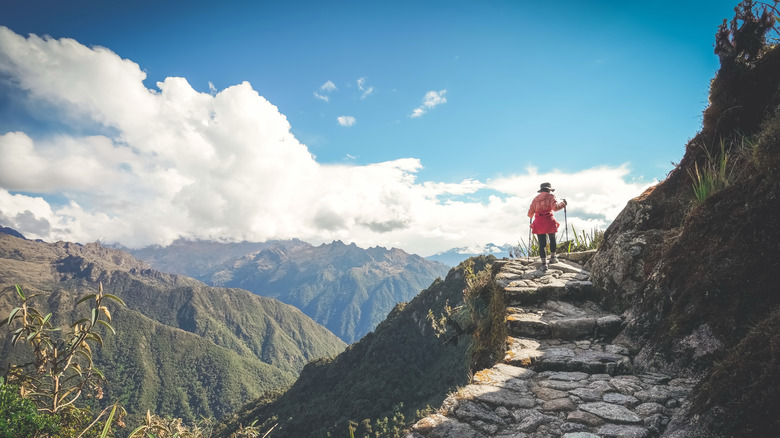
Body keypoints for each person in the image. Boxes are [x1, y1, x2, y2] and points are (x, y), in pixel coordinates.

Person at [527, 182, 567, 271]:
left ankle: (544, 264)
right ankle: (553, 258)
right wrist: (563, 203)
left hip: (539, 222)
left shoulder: (535, 199)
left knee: (542, 244)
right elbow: (555, 208)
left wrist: (532, 215)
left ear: (541, 190)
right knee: (552, 238)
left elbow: (530, 213)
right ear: (549, 189)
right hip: (549, 220)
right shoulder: (551, 196)